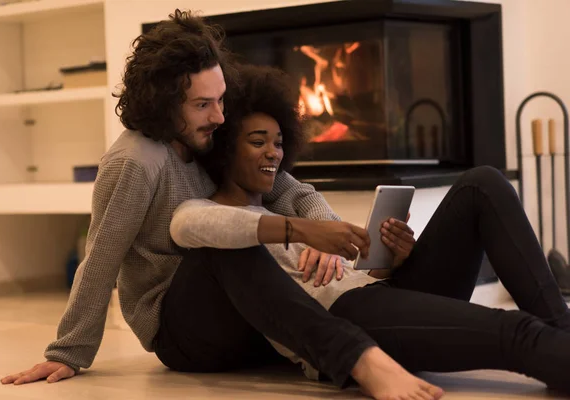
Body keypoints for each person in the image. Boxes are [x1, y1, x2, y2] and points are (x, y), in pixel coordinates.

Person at [0, 10, 425, 400]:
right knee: (224, 243)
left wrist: (326, 234)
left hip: (238, 306)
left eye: (220, 99)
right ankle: (355, 357)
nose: (220, 116)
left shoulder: (204, 136)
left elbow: (293, 192)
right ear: (164, 104)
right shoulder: (135, 161)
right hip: (182, 328)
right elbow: (101, 257)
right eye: (203, 104)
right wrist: (67, 352)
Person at [171, 63, 570, 399]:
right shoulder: (209, 220)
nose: (273, 152)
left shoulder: (290, 200)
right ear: (224, 151)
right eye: (258, 142)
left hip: (378, 294)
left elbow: (352, 274)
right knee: (515, 331)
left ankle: (563, 330)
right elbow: (188, 226)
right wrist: (302, 233)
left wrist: (391, 262)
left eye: (278, 143)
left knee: (483, 182)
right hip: (349, 318)